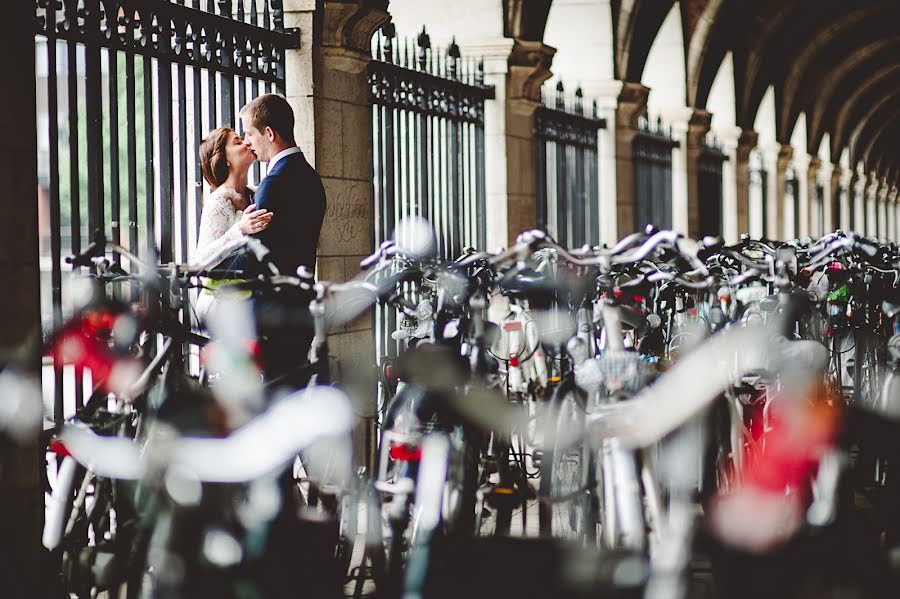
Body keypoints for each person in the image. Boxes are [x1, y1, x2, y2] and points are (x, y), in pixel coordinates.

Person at [239, 93, 327, 386]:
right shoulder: (311, 178)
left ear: (269, 133)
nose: (247, 141)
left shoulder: (274, 183)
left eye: (249, 133)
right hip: (301, 312)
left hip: (270, 319)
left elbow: (256, 256)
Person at [193, 126, 274, 322]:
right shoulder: (218, 202)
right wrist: (240, 230)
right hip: (220, 307)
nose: (247, 142)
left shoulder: (255, 193)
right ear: (225, 159)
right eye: (238, 142)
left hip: (248, 302)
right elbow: (199, 262)